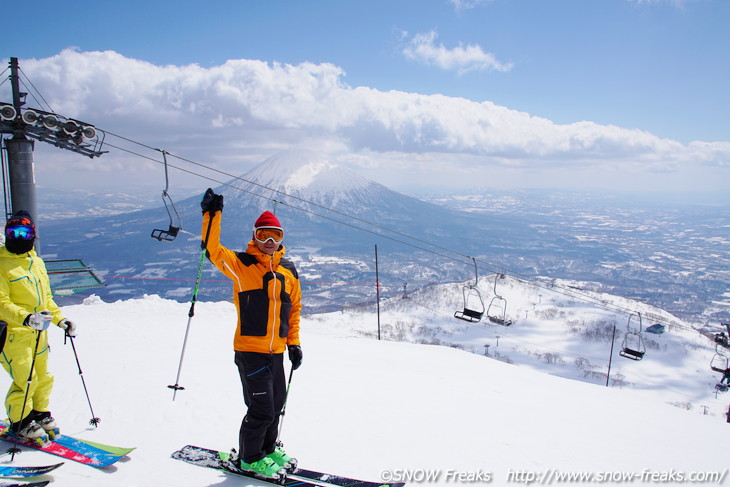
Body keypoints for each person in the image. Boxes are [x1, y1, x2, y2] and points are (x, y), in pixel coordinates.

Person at [200, 189, 303, 480]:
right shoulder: (243, 265)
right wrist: (212, 215)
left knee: (276, 405)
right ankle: (249, 458)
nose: (269, 242)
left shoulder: (289, 271)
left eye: (275, 236)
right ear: (254, 237)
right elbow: (213, 250)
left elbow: (294, 309)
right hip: (251, 351)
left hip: (277, 352)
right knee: (261, 409)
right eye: (263, 235)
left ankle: (267, 450)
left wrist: (293, 343)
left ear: (282, 239)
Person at [0, 210, 76, 443]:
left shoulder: (36, 262)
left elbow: (46, 299)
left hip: (38, 334)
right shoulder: (2, 264)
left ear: (33, 234)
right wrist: (26, 318)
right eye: (13, 231)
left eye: (24, 231)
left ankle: (39, 413)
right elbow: (1, 303)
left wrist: (60, 320)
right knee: (26, 378)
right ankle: (20, 422)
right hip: (13, 335)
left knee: (43, 377)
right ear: (6, 234)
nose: (19, 237)